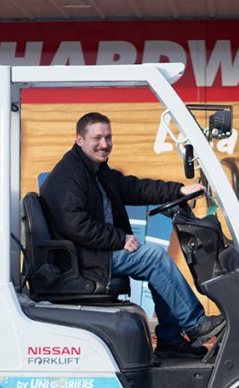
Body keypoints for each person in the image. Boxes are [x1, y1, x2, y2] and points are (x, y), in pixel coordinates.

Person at [40, 112, 225, 358]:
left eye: (108, 137)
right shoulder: (69, 176)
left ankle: (170, 337)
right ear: (79, 140)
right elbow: (76, 225)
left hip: (93, 251)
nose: (104, 144)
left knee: (155, 261)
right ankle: (194, 324)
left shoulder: (96, 170)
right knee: (153, 257)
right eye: (97, 138)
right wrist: (119, 239)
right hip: (83, 259)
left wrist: (177, 190)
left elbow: (134, 188)